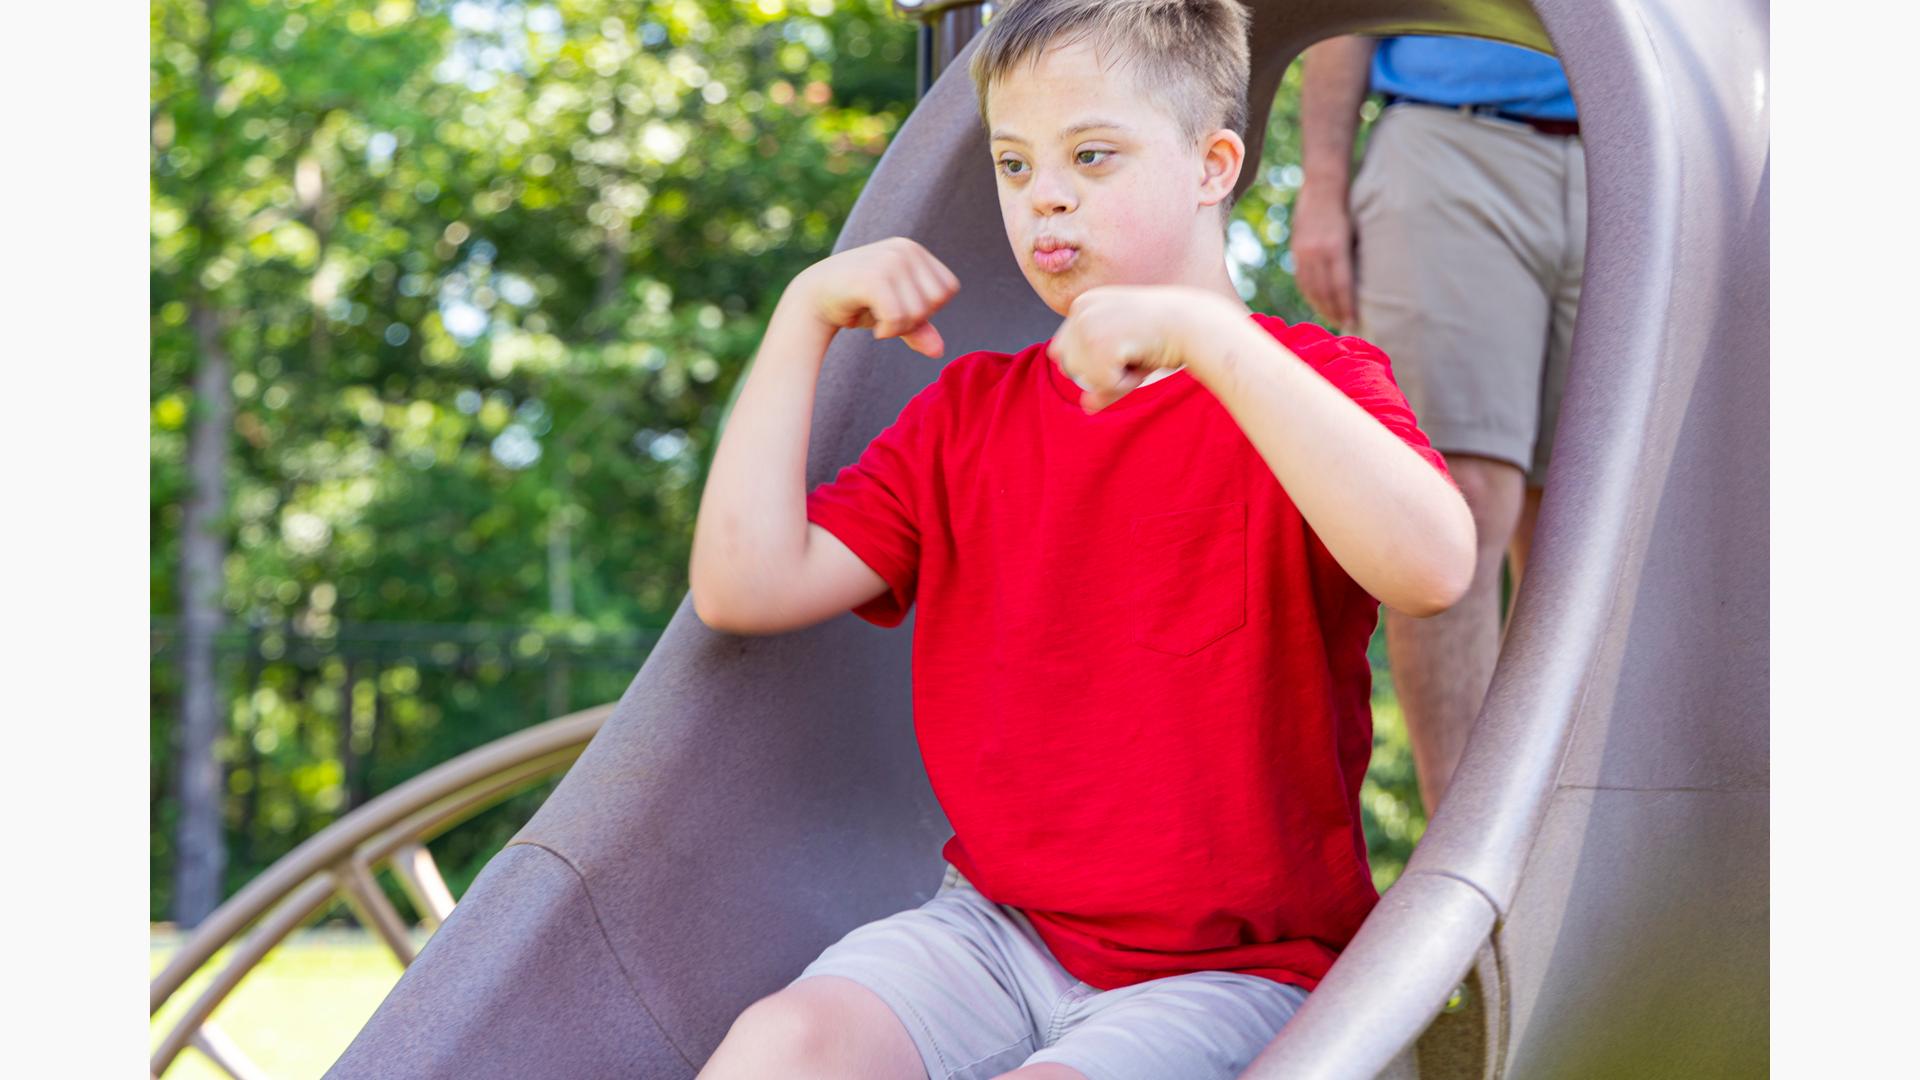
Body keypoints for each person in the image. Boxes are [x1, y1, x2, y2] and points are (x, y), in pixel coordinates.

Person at [688, 3, 1473, 1078]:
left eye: (1091, 156)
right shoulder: (972, 416)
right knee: (782, 1046)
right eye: (1015, 165)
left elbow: (1435, 567)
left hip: (1239, 971)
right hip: (995, 934)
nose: (1045, 194)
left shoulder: (1308, 391)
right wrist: (802, 317)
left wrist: (1208, 339)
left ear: (1214, 166)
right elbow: (743, 584)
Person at [1293, 34, 1586, 817]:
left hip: (1642, 146)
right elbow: (1342, 16)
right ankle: (1461, 855)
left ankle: (1564, 845)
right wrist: (1323, 180)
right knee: (1460, 497)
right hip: (1451, 141)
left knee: (1584, 518)